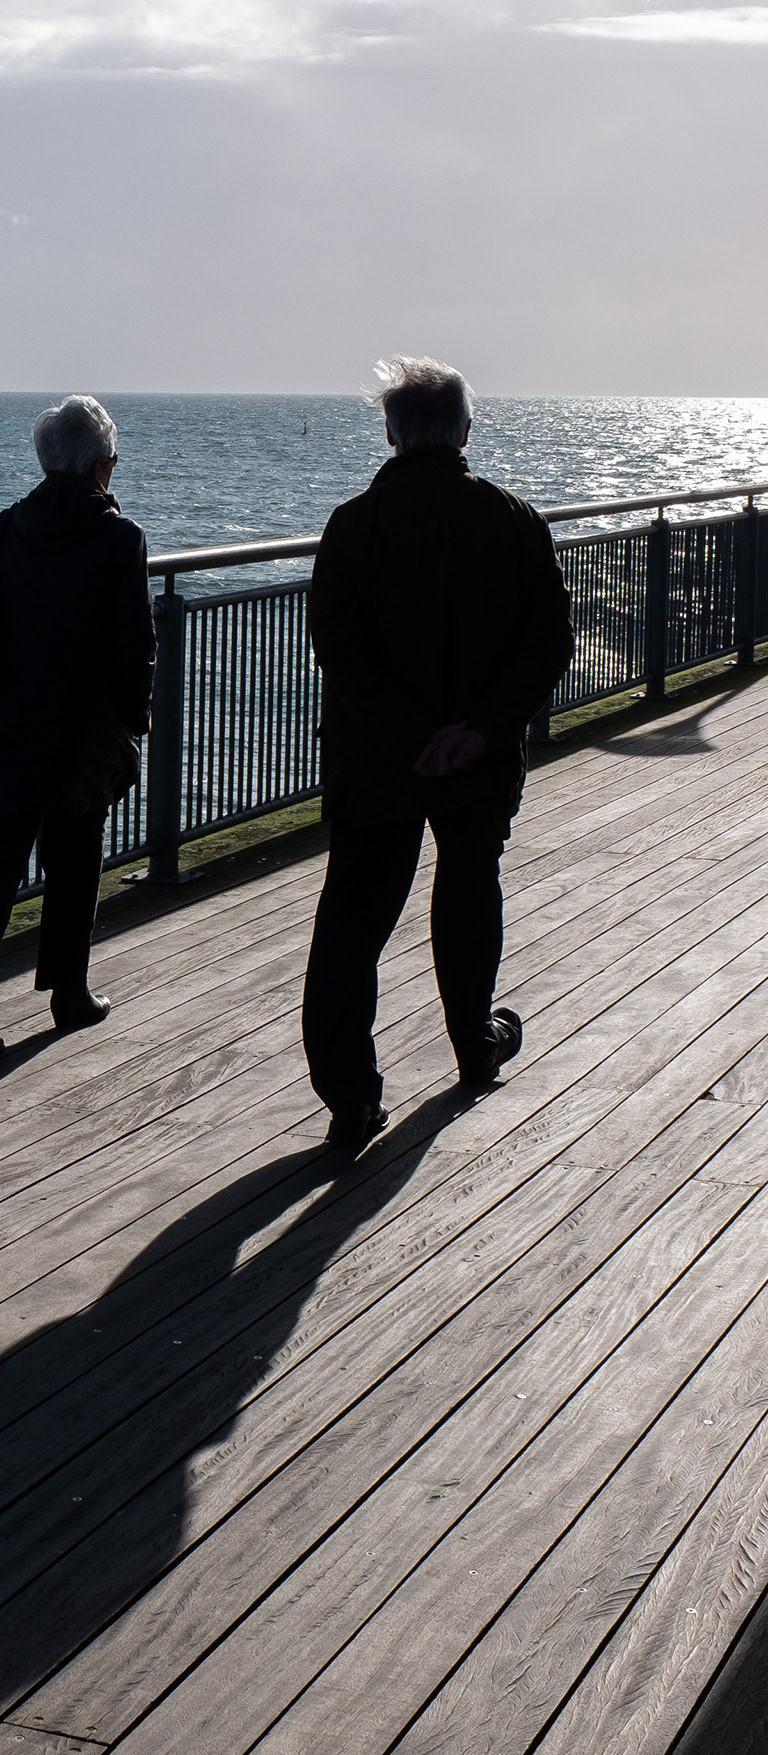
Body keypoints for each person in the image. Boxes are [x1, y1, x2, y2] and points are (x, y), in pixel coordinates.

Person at [303, 356, 574, 1156]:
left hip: (377, 761)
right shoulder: (514, 518)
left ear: (391, 432)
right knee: (466, 892)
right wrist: (478, 731)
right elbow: (548, 639)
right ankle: (473, 1045)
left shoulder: (353, 526)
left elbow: (340, 653)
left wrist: (406, 738)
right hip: (477, 760)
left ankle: (350, 1098)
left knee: (354, 921)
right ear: (464, 430)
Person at [0, 395, 157, 1062]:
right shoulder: (120, 538)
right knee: (76, 856)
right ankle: (69, 992)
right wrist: (136, 714)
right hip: (84, 728)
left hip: (8, 719)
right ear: (101, 467)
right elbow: (133, 644)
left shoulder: (11, 525)